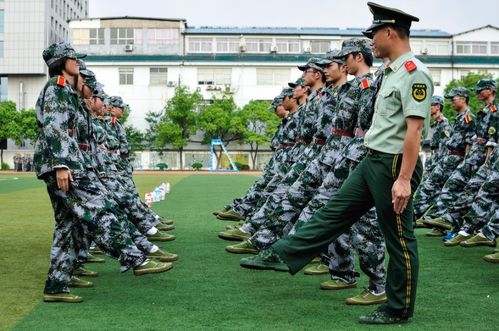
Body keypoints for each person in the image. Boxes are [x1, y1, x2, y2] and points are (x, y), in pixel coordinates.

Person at [240, 2, 433, 324]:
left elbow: (414, 130)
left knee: (399, 239)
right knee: (333, 211)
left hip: (394, 164)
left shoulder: (415, 73)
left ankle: (398, 308)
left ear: (389, 32)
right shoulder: (392, 72)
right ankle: (283, 253)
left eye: (374, 33)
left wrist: (404, 179)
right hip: (372, 158)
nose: (371, 41)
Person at [33, 42, 172, 303]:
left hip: (68, 164)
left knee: (69, 225)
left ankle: (56, 285)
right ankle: (136, 259)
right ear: (63, 62)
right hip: (64, 165)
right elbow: (55, 127)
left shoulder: (67, 93)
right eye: (74, 59)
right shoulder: (57, 88)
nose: (78, 64)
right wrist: (62, 165)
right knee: (100, 208)